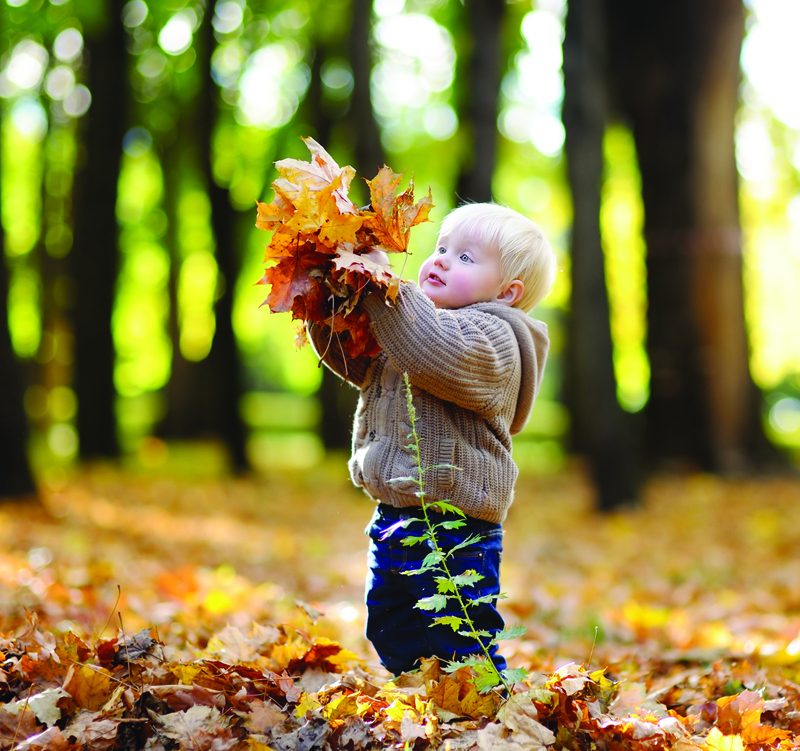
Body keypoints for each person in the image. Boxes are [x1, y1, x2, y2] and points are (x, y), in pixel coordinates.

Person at [309, 202, 556, 676]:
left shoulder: (495, 337)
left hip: (455, 527)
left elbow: (432, 351)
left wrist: (383, 286)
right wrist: (330, 301)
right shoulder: (415, 329)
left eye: (466, 257)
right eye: (441, 248)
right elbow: (354, 361)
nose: (440, 259)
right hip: (394, 517)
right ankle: (425, 702)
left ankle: (487, 712)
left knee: (459, 638)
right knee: (392, 627)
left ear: (507, 292)